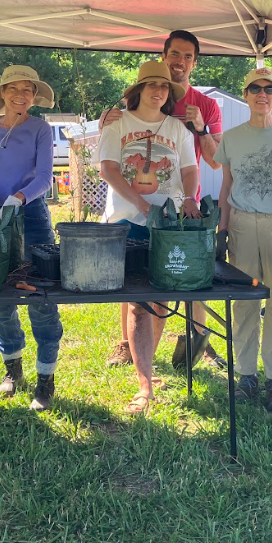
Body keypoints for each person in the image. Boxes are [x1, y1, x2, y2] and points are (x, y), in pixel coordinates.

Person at [100, 30, 226, 370]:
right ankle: (130, 347)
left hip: (183, 205)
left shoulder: (206, 106)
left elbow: (215, 161)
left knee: (183, 277)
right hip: (132, 209)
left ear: (194, 62)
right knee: (135, 288)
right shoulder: (125, 114)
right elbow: (109, 162)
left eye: (187, 56)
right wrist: (104, 121)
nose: (180, 61)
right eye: (175, 54)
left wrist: (200, 129)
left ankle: (199, 339)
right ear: (165, 55)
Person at [96, 60, 201, 414]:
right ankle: (144, 385)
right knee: (138, 302)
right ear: (138, 90)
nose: (158, 91)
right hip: (126, 223)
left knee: (158, 302)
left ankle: (149, 368)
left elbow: (189, 169)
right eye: (152, 85)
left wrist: (189, 198)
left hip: (167, 225)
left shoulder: (178, 128)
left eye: (165, 87)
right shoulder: (118, 124)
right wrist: (140, 203)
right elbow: (109, 169)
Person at [0, 65, 64, 411]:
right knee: (1, 295)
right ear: (3, 92)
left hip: (32, 216)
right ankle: (12, 370)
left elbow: (44, 177)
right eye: (14, 89)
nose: (21, 95)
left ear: (35, 97)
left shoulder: (40, 129)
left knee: (40, 295)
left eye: (28, 90)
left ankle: (45, 379)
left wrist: (19, 198)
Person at [214, 67, 272, 412]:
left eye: (270, 89)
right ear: (246, 94)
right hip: (241, 224)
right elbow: (225, 188)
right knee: (244, 302)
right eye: (255, 88)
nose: (262, 94)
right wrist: (221, 231)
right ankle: (246, 375)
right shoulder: (232, 138)